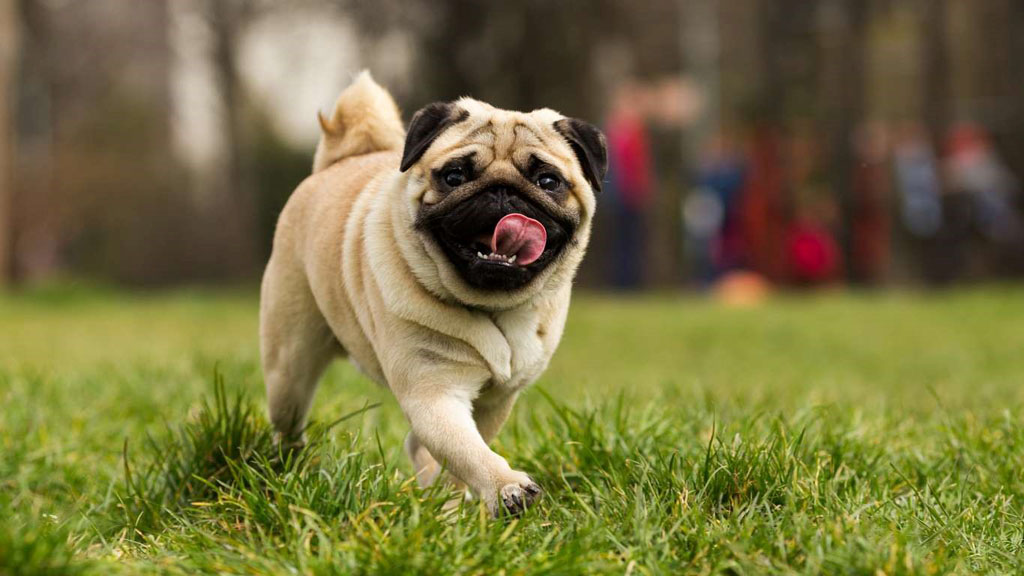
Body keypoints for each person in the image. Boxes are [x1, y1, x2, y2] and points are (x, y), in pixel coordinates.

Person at [604, 81, 655, 289]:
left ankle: (631, 282)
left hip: (632, 194)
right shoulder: (617, 132)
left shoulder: (635, 131)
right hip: (622, 195)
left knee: (633, 241)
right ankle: (623, 283)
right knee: (623, 242)